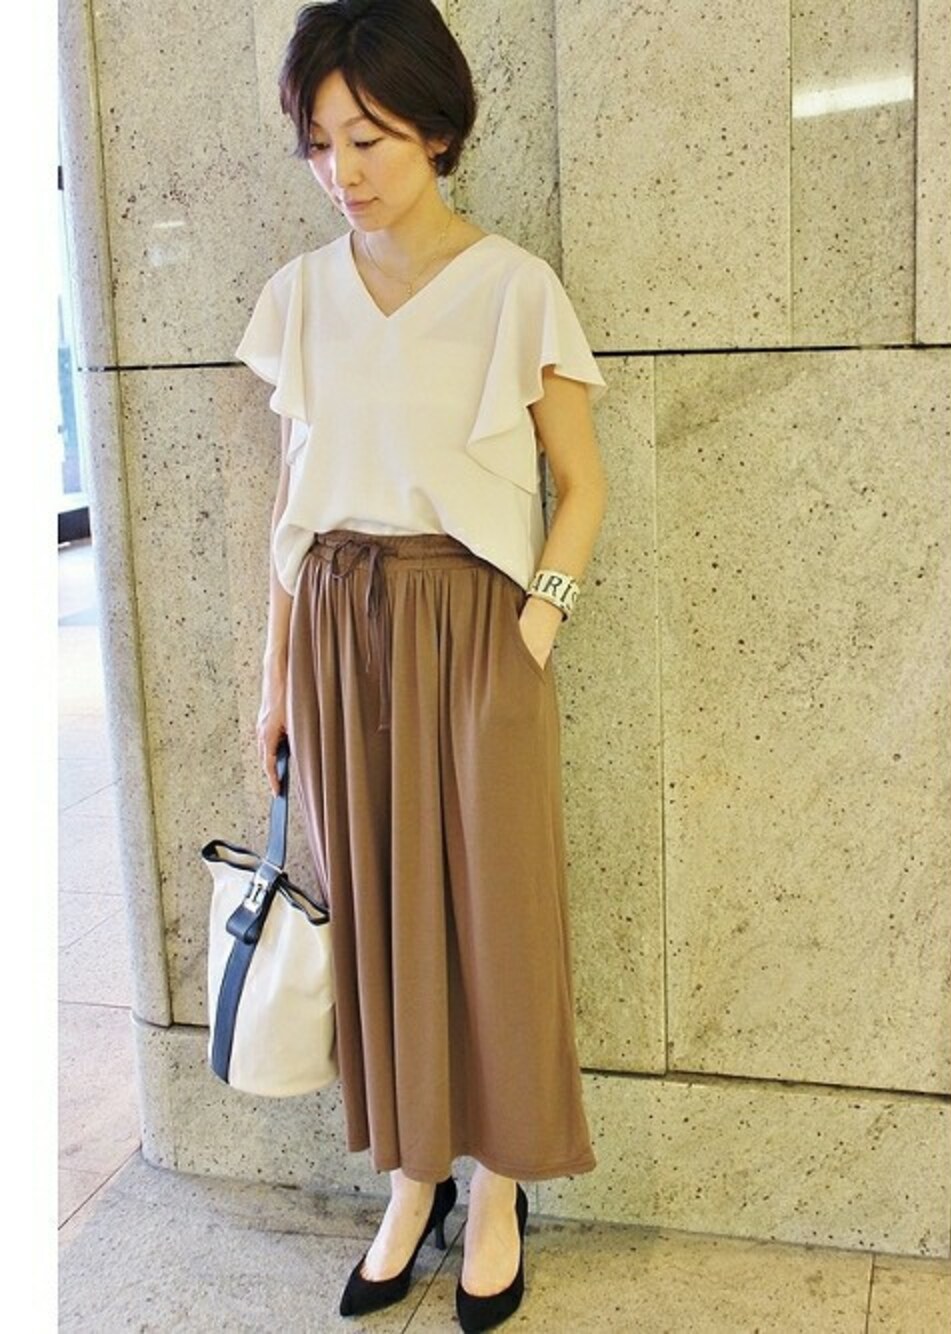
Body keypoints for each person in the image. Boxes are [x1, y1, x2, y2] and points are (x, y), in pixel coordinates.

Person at [235, 2, 608, 1328]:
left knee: (497, 917)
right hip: (339, 629)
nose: (343, 169)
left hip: (477, 627)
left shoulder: (514, 287)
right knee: (380, 916)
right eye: (321, 141)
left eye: (371, 136)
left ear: (437, 130)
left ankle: (496, 1186)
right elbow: (292, 509)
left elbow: (583, 486)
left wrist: (534, 629)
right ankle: (411, 1180)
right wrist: (276, 683)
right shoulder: (300, 298)